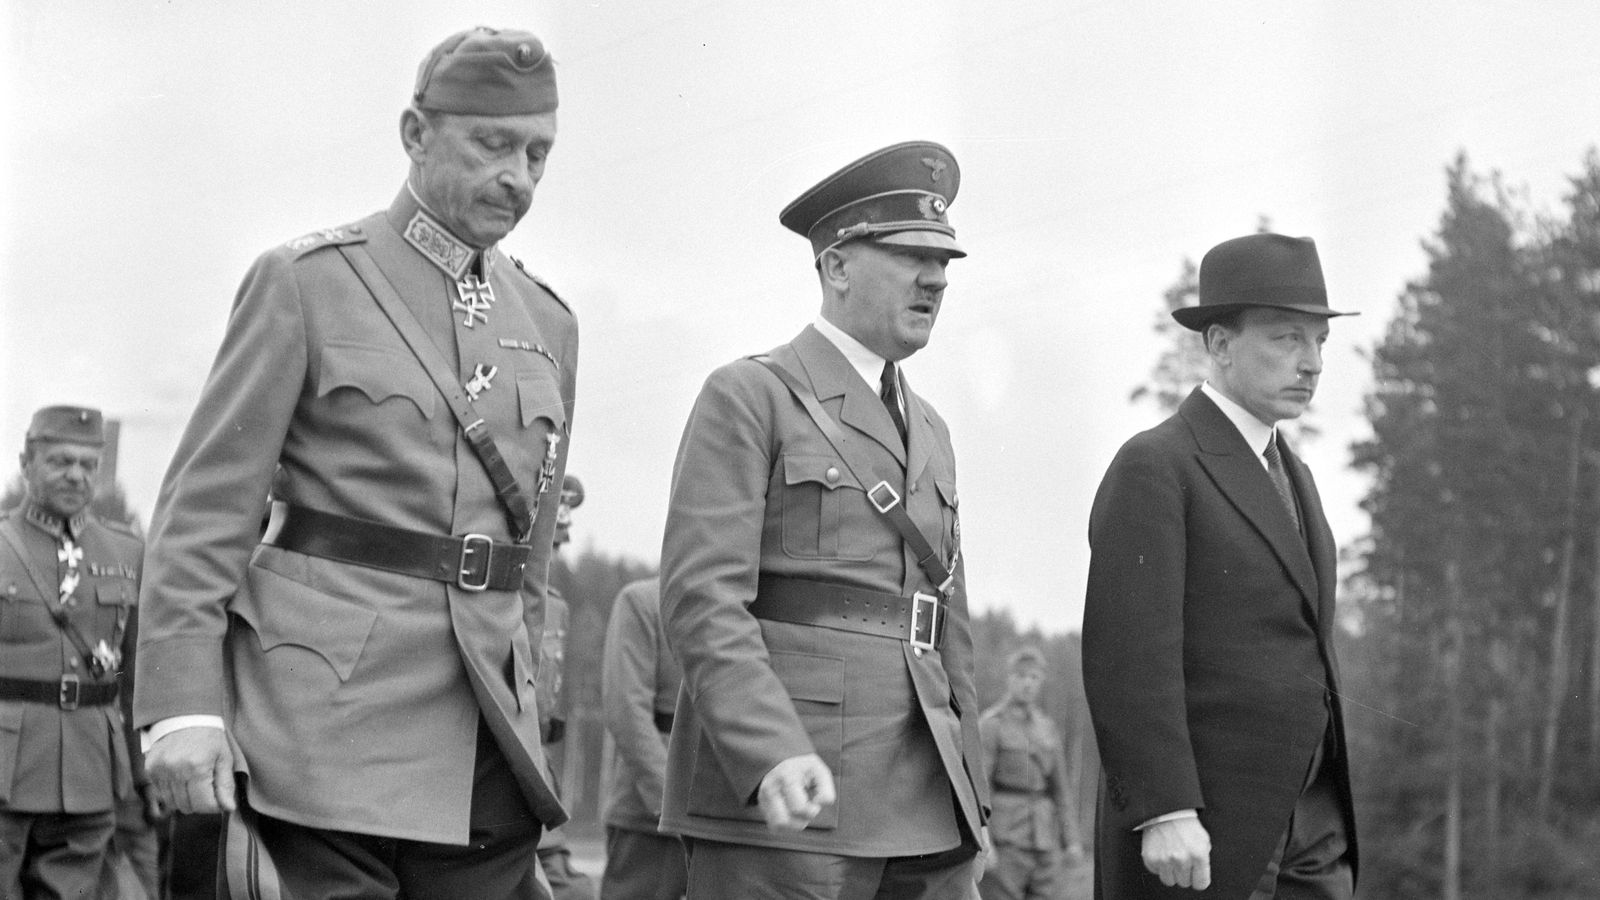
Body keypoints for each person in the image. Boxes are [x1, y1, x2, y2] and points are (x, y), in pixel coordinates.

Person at [133, 26, 578, 898]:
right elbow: (203, 515)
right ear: (415, 134)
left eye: (537, 154)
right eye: (492, 145)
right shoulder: (308, 283)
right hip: (320, 735)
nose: (519, 177)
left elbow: (526, 562)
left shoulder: (549, 322)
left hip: (485, 751)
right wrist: (181, 708)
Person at [659, 140, 987, 900]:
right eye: (910, 255)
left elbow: (948, 626)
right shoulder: (751, 395)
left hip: (924, 803)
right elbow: (702, 600)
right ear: (837, 265)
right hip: (794, 794)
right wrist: (767, 748)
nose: (936, 278)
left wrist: (971, 799)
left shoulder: (932, 429)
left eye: (943, 261)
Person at [1082, 233, 1360, 899]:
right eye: (1287, 338)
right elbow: (1127, 657)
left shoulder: (1296, 475)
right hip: (1207, 834)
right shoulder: (1158, 464)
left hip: (1314, 825)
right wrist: (1164, 810)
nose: (1312, 363)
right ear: (1219, 344)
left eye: (1320, 341)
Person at [0, 406, 146, 898]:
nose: (76, 475)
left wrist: (142, 777)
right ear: (26, 463)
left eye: (88, 464)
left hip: (89, 770)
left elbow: (136, 677)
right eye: (60, 461)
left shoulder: (128, 554)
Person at [528, 475, 599, 900]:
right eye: (546, 546)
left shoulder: (555, 606)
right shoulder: (502, 604)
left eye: (556, 546)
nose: (552, 557)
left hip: (535, 772)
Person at [598, 574, 685, 900]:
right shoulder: (644, 602)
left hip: (728, 822)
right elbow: (627, 712)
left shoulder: (747, 612)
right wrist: (673, 805)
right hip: (650, 823)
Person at [977, 646, 1081, 900]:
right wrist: (984, 842)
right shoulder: (991, 724)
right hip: (1006, 841)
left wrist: (1071, 841)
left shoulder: (1047, 728)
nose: (1028, 683)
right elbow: (979, 788)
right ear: (1009, 678)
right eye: (1021, 676)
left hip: (1044, 840)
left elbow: (1061, 790)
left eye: (1034, 677)